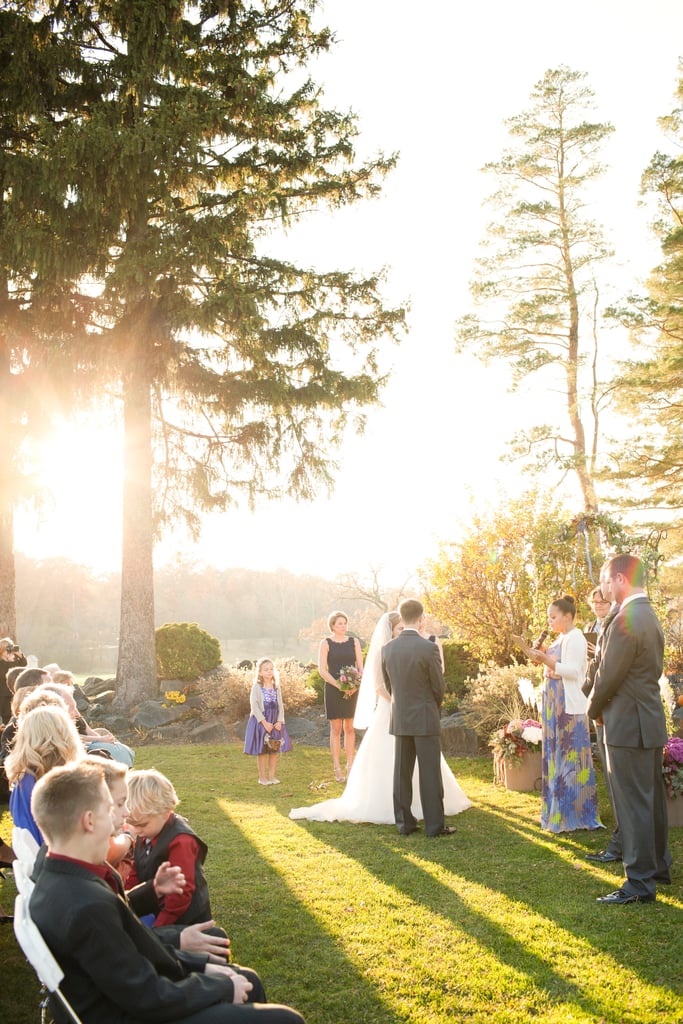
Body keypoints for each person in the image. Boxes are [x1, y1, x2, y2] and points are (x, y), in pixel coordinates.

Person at [29, 759, 305, 1023]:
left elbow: (129, 951)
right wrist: (218, 985)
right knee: (286, 1019)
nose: (123, 817)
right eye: (110, 807)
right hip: (134, 1014)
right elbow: (148, 996)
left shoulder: (60, 876)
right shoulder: (86, 906)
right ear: (89, 820)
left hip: (129, 1001)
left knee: (249, 980)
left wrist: (198, 966)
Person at [290, 611, 470, 824]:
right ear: (391, 630)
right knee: (393, 757)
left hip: (411, 710)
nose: (403, 631)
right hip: (390, 709)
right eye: (400, 628)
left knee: (420, 760)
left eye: (404, 627)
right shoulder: (384, 651)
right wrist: (397, 699)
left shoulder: (412, 648)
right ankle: (390, 805)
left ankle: (424, 804)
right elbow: (378, 685)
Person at [587, 554, 672, 905]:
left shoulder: (627, 618)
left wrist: (593, 709)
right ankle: (658, 868)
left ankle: (638, 883)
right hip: (647, 720)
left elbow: (608, 675)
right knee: (650, 802)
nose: (604, 588)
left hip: (627, 724)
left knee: (633, 803)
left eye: (607, 581)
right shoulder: (648, 614)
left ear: (621, 579)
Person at [381, 598, 455, 837]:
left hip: (401, 717)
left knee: (401, 772)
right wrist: (433, 706)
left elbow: (390, 685)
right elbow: (438, 686)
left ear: (401, 618)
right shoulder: (428, 647)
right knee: (430, 773)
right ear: (421, 618)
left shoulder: (388, 649)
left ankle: (404, 824)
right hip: (425, 716)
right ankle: (434, 826)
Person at [528, 595, 602, 834]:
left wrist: (545, 660)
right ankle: (556, 810)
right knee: (557, 754)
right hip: (554, 703)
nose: (549, 621)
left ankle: (576, 813)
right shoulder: (561, 638)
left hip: (568, 704)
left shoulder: (576, 638)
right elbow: (554, 668)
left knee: (571, 758)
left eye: (553, 616)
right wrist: (541, 659)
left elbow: (572, 672)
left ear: (567, 616)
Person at [124, 767, 213, 928]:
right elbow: (136, 872)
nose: (136, 831)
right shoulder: (145, 833)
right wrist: (127, 902)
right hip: (156, 907)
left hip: (185, 920)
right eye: (131, 824)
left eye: (142, 824)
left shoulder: (181, 841)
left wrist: (160, 929)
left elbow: (181, 893)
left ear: (165, 812)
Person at [582, 570, 623, 863]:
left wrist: (594, 708)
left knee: (621, 786)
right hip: (596, 698)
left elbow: (608, 670)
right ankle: (621, 841)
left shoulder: (621, 623)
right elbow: (593, 667)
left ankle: (623, 843)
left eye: (602, 600)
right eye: (594, 602)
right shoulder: (591, 626)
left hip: (611, 707)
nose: (598, 605)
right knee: (613, 781)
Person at [5, 704, 83, 844]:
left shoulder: (22, 779)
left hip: (36, 855)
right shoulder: (61, 781)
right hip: (62, 855)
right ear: (65, 734)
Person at [318, 611, 363, 782]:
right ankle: (337, 766)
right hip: (333, 688)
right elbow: (322, 670)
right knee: (336, 730)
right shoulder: (326, 643)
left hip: (353, 689)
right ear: (332, 626)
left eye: (345, 623)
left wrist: (354, 685)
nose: (343, 626)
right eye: (339, 624)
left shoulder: (354, 642)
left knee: (350, 729)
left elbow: (360, 667)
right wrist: (340, 685)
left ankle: (350, 765)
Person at [243, 658, 293, 785]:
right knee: (262, 751)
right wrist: (265, 723)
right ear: (260, 672)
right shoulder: (257, 688)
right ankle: (263, 778)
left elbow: (280, 705)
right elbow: (254, 706)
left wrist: (280, 721)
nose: (269, 671)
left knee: (274, 749)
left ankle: (272, 777)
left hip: (275, 722)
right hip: (262, 722)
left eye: (271, 669)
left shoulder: (276, 687)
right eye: (266, 669)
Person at [0, 637, 27, 725]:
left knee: (15, 713)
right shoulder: (2, 662)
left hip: (13, 692)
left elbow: (23, 664)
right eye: (7, 648)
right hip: (3, 694)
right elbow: (4, 673)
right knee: (6, 715)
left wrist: (19, 654)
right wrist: (8, 659)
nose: (9, 650)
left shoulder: (13, 660)